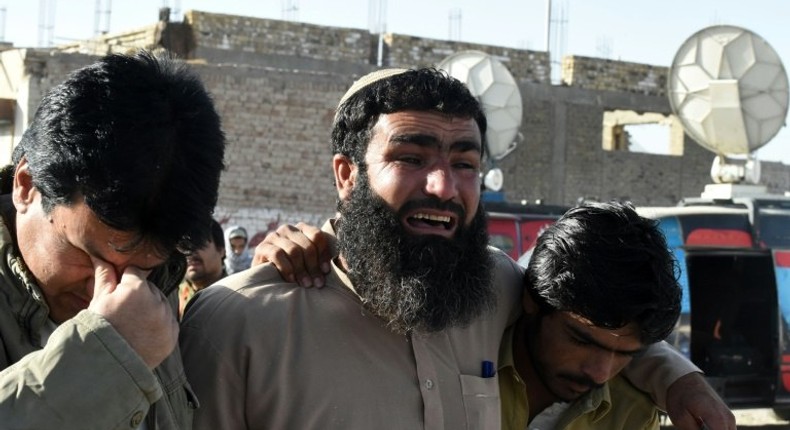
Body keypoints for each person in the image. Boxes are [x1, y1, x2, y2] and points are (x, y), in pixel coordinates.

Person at [181, 68, 734, 429]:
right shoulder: (239, 324)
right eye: (412, 158)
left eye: (464, 164)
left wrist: (683, 383)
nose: (444, 187)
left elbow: (597, 323)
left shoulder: (493, 287)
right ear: (347, 175)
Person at [0, 50, 226, 429]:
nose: (105, 291)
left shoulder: (150, 285)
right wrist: (106, 356)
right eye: (85, 254)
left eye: (142, 267)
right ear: (26, 186)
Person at [499, 201, 681, 430]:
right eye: (582, 341)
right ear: (532, 299)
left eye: (626, 354)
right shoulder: (462, 363)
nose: (600, 373)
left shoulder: (632, 417)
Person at [174, 219, 227, 319]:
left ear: (221, 250)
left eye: (199, 244)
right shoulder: (173, 295)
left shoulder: (235, 295)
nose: (190, 252)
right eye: (184, 246)